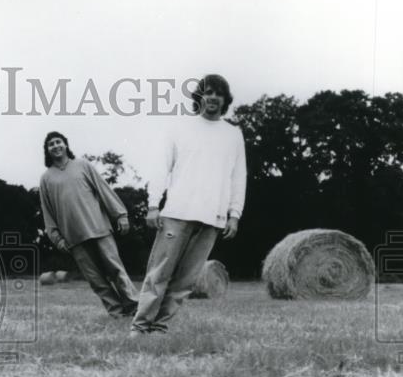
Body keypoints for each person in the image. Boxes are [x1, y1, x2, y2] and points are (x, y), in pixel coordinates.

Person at [130, 74, 247, 337]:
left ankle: (160, 327)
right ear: (199, 97)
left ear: (225, 99)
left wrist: (234, 214)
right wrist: (152, 204)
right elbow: (161, 168)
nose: (213, 98)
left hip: (213, 218)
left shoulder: (233, 135)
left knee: (186, 281)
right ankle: (139, 327)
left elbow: (239, 177)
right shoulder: (180, 128)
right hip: (177, 212)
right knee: (159, 274)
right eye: (207, 92)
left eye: (218, 93)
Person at [38, 132, 139, 318]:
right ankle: (116, 312)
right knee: (96, 280)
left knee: (116, 270)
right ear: (47, 150)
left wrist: (120, 215)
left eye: (58, 141)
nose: (55, 146)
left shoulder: (83, 165)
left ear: (66, 145)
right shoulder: (46, 178)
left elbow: (104, 190)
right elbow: (48, 212)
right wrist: (57, 239)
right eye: (50, 144)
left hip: (99, 228)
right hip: (73, 238)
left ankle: (134, 307)